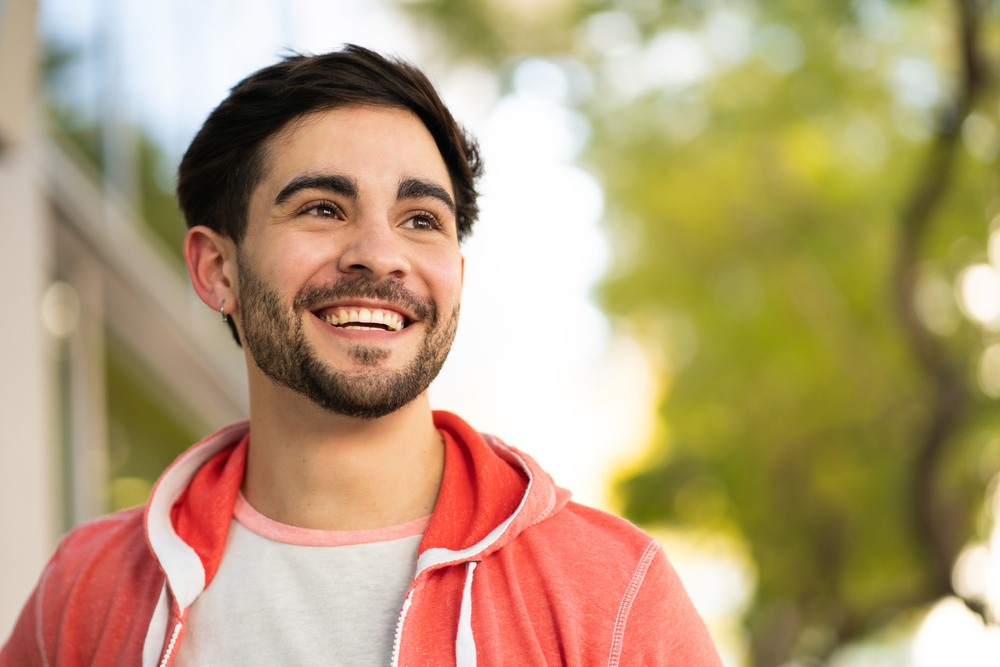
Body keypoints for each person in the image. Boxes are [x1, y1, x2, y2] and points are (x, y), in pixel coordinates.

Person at [1, 45, 722, 667]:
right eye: (321, 208)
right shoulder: (84, 591)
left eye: (420, 220)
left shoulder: (613, 593)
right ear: (218, 270)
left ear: (457, 278)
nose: (381, 255)